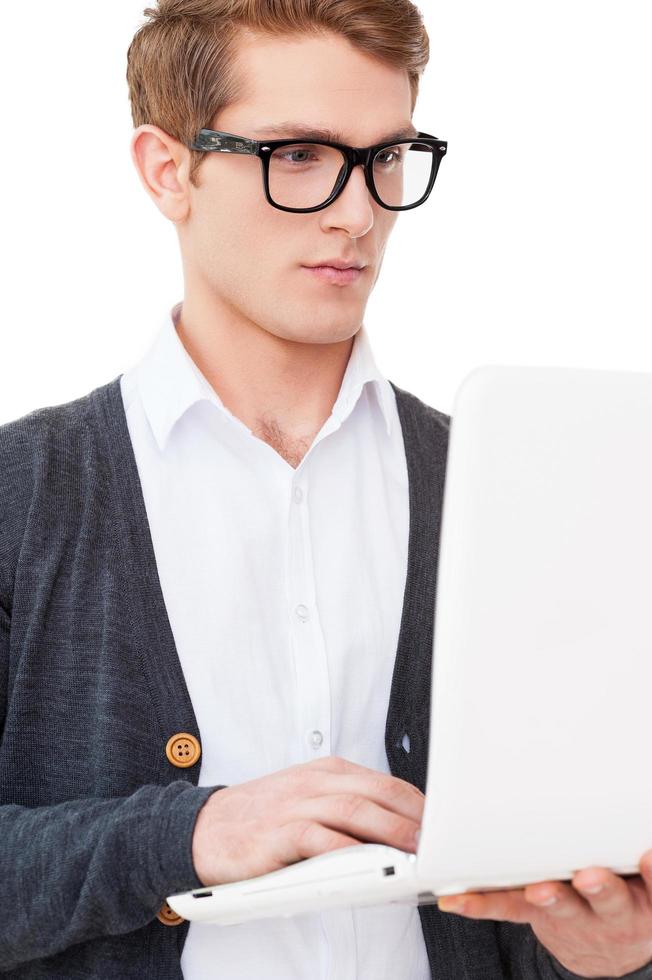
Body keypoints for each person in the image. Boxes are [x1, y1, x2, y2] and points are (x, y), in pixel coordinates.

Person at [1, 0, 652, 977]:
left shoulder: (509, 488)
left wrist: (607, 952)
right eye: (298, 155)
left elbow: (547, 880)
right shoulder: (24, 495)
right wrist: (188, 830)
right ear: (166, 169)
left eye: (387, 156)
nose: (360, 211)